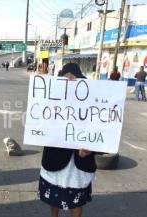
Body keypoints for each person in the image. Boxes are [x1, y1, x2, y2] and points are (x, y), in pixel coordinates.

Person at [38, 63, 96, 217]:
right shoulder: (51, 101)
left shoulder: (92, 103)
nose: (70, 85)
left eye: (74, 81)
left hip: (79, 165)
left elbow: (103, 136)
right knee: (53, 197)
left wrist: (92, 149)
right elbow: (39, 125)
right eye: (65, 81)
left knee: (76, 201)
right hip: (54, 161)